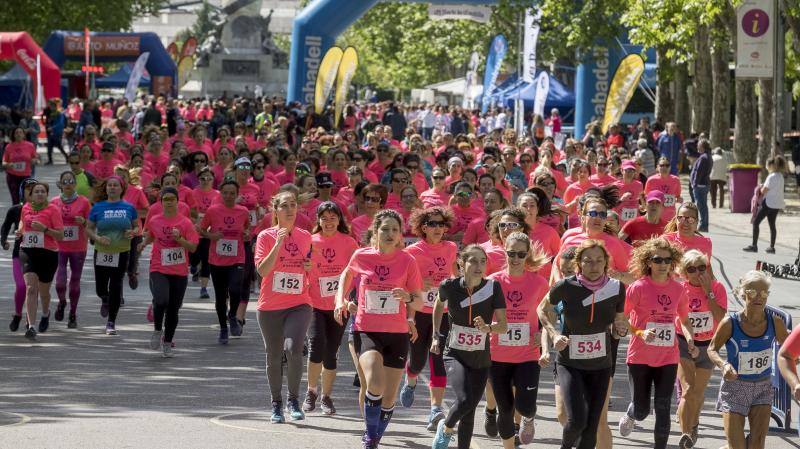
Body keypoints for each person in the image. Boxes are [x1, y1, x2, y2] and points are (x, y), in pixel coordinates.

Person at [334, 209, 424, 448]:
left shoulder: (407, 261)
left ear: (400, 234)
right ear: (375, 231)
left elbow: (419, 301)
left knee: (389, 397)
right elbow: (346, 275)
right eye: (385, 229)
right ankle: (371, 435)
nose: (390, 233)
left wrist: (406, 297)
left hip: (397, 334)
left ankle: (375, 434)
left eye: (395, 229)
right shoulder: (362, 256)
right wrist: (339, 300)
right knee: (374, 382)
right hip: (367, 330)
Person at [539, 239, 627, 449]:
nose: (594, 266)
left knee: (591, 429)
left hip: (601, 365)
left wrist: (620, 329)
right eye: (588, 261)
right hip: (570, 364)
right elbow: (542, 309)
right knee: (576, 420)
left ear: (606, 262)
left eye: (599, 261)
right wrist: (553, 334)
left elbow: (618, 320)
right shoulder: (566, 286)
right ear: (579, 263)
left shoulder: (616, 288)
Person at [618, 237, 696, 449]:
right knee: (642, 410)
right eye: (657, 260)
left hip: (668, 357)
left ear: (673, 262)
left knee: (663, 407)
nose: (662, 264)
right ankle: (633, 413)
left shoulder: (679, 290)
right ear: (648, 262)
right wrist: (640, 332)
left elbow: (685, 320)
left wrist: (690, 339)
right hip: (640, 357)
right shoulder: (638, 287)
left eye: (667, 260)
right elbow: (621, 319)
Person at [430, 244, 508, 449]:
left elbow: (503, 326)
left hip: (481, 360)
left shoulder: (493, 288)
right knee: (464, 400)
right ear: (461, 263)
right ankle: (446, 429)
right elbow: (438, 305)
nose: (478, 265)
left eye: (483, 261)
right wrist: (436, 334)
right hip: (455, 354)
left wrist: (488, 328)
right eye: (473, 260)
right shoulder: (449, 286)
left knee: (470, 411)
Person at [707, 270, 789, 449]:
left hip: (762, 387)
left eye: (764, 293)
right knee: (736, 446)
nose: (759, 297)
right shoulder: (730, 323)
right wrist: (724, 364)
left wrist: (793, 359)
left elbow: (789, 349)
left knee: (757, 445)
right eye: (752, 292)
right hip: (735, 387)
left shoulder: (775, 322)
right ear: (742, 293)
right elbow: (712, 349)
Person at [255, 191, 314, 423]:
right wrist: (278, 243)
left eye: (293, 205)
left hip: (299, 303)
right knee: (274, 355)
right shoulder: (265, 236)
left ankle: (293, 399)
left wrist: (310, 265)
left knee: (293, 349)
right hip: (270, 306)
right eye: (284, 206)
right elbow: (262, 271)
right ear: (275, 210)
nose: (290, 210)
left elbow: (312, 269)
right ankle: (276, 402)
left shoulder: (306, 236)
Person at [488, 232, 549, 447]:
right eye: (511, 253)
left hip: (527, 354)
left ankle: (529, 418)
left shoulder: (540, 283)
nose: (515, 259)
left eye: (521, 254)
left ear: (527, 255)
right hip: (497, 355)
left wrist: (540, 335)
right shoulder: (492, 282)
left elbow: (546, 315)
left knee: (525, 406)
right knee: (504, 409)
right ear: (505, 251)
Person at [400, 207, 458, 430]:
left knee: (438, 360)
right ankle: (411, 378)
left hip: (443, 313)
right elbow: (402, 280)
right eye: (432, 224)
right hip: (419, 312)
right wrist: (418, 284)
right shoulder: (413, 251)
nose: (438, 228)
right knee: (417, 361)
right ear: (423, 227)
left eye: (441, 224)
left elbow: (454, 273)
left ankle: (435, 409)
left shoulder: (451, 248)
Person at [303, 201, 358, 415]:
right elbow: (298, 265)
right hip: (314, 303)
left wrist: (351, 298)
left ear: (339, 220)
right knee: (316, 345)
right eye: (324, 218)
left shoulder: (349, 242)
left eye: (333, 217)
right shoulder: (310, 241)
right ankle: (311, 391)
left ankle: (326, 396)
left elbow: (357, 273)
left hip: (339, 305)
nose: (328, 222)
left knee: (331, 353)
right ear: (318, 220)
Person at [675, 250, 728, 448]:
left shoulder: (717, 287)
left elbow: (720, 318)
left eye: (701, 267)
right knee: (687, 390)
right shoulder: (680, 289)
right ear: (684, 272)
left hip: (708, 345)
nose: (697, 272)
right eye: (691, 269)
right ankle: (685, 434)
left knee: (698, 393)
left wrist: (709, 292)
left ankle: (694, 424)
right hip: (683, 343)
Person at [141, 187, 198, 356]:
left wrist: (179, 239)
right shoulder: (155, 220)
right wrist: (143, 243)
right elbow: (151, 235)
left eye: (172, 198)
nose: (169, 202)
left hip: (179, 271)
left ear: (178, 201)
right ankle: (158, 329)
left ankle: (167, 341)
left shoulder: (185, 222)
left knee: (173, 308)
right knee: (161, 299)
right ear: (161, 202)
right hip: (158, 267)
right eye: (165, 199)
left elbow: (193, 247)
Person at [198, 179, 249, 344]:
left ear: (237, 194)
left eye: (232, 193)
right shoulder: (213, 211)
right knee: (220, 297)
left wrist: (247, 234)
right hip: (217, 260)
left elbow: (247, 228)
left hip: (237, 258)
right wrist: (211, 236)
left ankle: (233, 315)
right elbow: (200, 229)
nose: (228, 196)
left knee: (235, 289)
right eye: (225, 193)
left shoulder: (243, 211)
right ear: (221, 194)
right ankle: (223, 328)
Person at [17, 181, 64, 340]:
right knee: (31, 288)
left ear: (46, 194)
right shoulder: (26, 208)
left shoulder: (53, 210)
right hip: (28, 251)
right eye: (36, 191)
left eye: (42, 191)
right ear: (31, 195)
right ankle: (31, 326)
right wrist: (19, 230)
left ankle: (45, 313)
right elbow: (23, 223)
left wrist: (44, 229)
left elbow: (60, 235)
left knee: (44, 293)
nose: (39, 194)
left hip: (48, 253)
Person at [51, 171, 91, 329]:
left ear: (75, 184)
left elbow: (93, 224)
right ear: (60, 184)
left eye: (71, 181)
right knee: (60, 283)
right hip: (59, 246)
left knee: (75, 281)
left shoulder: (84, 202)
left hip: (78, 247)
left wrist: (84, 221)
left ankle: (73, 314)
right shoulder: (53, 202)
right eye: (64, 181)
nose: (68, 183)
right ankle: (62, 302)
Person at [2, 179, 37, 332]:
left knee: (33, 289)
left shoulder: (47, 209)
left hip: (39, 254)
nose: (31, 191)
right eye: (28, 188)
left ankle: (30, 322)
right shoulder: (15, 210)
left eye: (34, 188)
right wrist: (3, 241)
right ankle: (17, 315)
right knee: (22, 287)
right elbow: (4, 227)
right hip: (19, 254)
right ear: (23, 191)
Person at [743, 155, 787, 254]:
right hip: (777, 204)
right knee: (772, 225)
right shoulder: (781, 176)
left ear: (771, 165)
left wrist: (761, 187)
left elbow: (763, 191)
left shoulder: (771, 176)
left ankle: (754, 246)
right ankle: (772, 247)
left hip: (768, 203)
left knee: (756, 222)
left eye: (767, 165)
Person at [3, 127, 39, 205]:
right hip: (12, 176)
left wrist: (34, 160)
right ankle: (16, 216)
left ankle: (25, 216)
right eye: (16, 133)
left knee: (25, 199)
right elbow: (4, 162)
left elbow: (35, 158)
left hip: (26, 176)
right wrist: (8, 164)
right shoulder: (9, 147)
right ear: (13, 135)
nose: (18, 134)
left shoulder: (30, 145)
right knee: (15, 200)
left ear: (23, 135)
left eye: (20, 132)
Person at [645, 157, 682, 222]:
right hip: (655, 215)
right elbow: (646, 196)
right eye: (662, 165)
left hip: (670, 215)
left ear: (670, 167)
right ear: (657, 167)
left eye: (667, 165)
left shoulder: (676, 180)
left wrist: (679, 199)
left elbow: (678, 196)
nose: (665, 168)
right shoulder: (651, 180)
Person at [689, 140, 712, 232]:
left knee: (700, 205)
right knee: (703, 205)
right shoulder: (707, 156)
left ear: (702, 146)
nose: (697, 147)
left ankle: (703, 225)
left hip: (700, 185)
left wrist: (694, 183)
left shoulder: (703, 158)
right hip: (704, 184)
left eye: (698, 145)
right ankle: (704, 224)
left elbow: (698, 172)